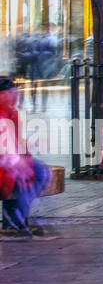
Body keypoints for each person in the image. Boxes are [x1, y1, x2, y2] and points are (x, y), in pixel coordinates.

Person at [0, 77, 55, 238]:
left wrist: (32, 144)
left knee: (41, 172)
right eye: (9, 93)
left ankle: (16, 218)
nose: (14, 96)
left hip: (11, 159)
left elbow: (15, 141)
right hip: (6, 162)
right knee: (31, 174)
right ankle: (15, 219)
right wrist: (18, 163)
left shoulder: (11, 113)